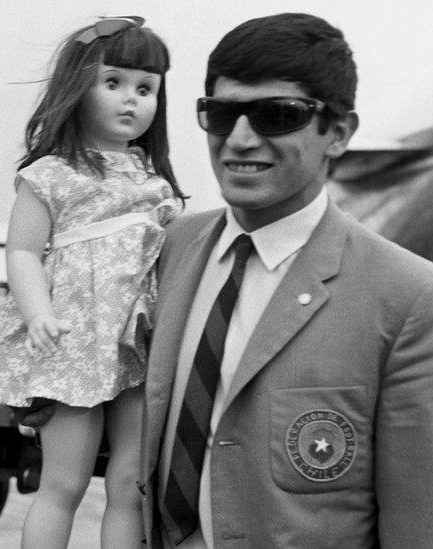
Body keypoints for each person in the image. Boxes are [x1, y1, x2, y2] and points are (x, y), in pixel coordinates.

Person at [140, 12, 433, 547]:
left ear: (338, 133)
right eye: (222, 114)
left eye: (277, 115)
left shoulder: (407, 295)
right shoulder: (167, 250)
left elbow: (415, 521)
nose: (242, 139)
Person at [0, 17, 185, 549]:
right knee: (63, 484)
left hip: (138, 345)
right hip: (73, 342)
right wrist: (39, 312)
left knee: (131, 483)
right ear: (77, 86)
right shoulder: (52, 174)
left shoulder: (152, 182)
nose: (131, 100)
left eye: (146, 88)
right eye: (113, 83)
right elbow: (22, 252)